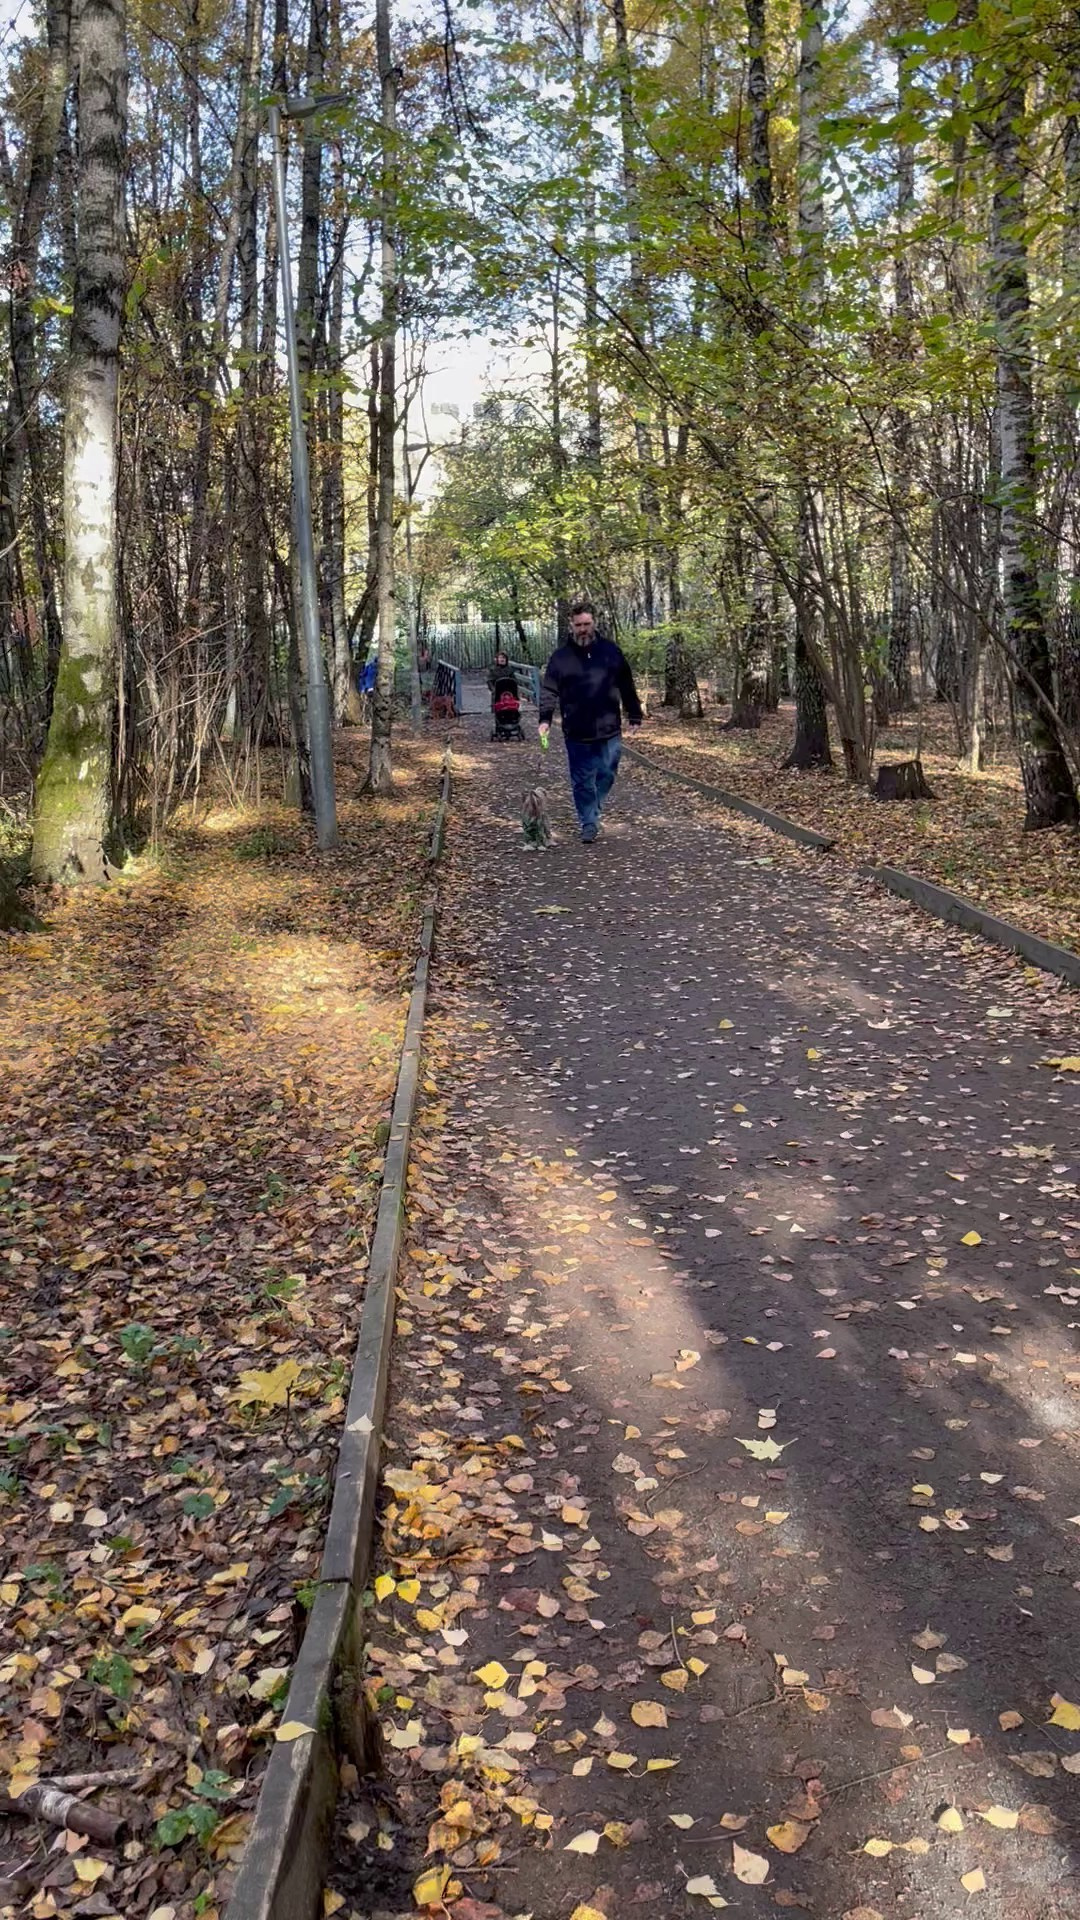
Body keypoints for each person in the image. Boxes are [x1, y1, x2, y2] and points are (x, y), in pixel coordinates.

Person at [538, 599, 643, 844]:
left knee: (607, 773)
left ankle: (593, 808)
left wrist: (634, 713)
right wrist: (545, 718)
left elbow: (626, 683)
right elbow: (549, 691)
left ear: (593, 622)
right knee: (582, 780)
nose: (583, 629)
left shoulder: (610, 651)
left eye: (587, 623)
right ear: (571, 626)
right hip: (576, 730)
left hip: (609, 727)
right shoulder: (560, 658)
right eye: (579, 625)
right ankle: (588, 822)